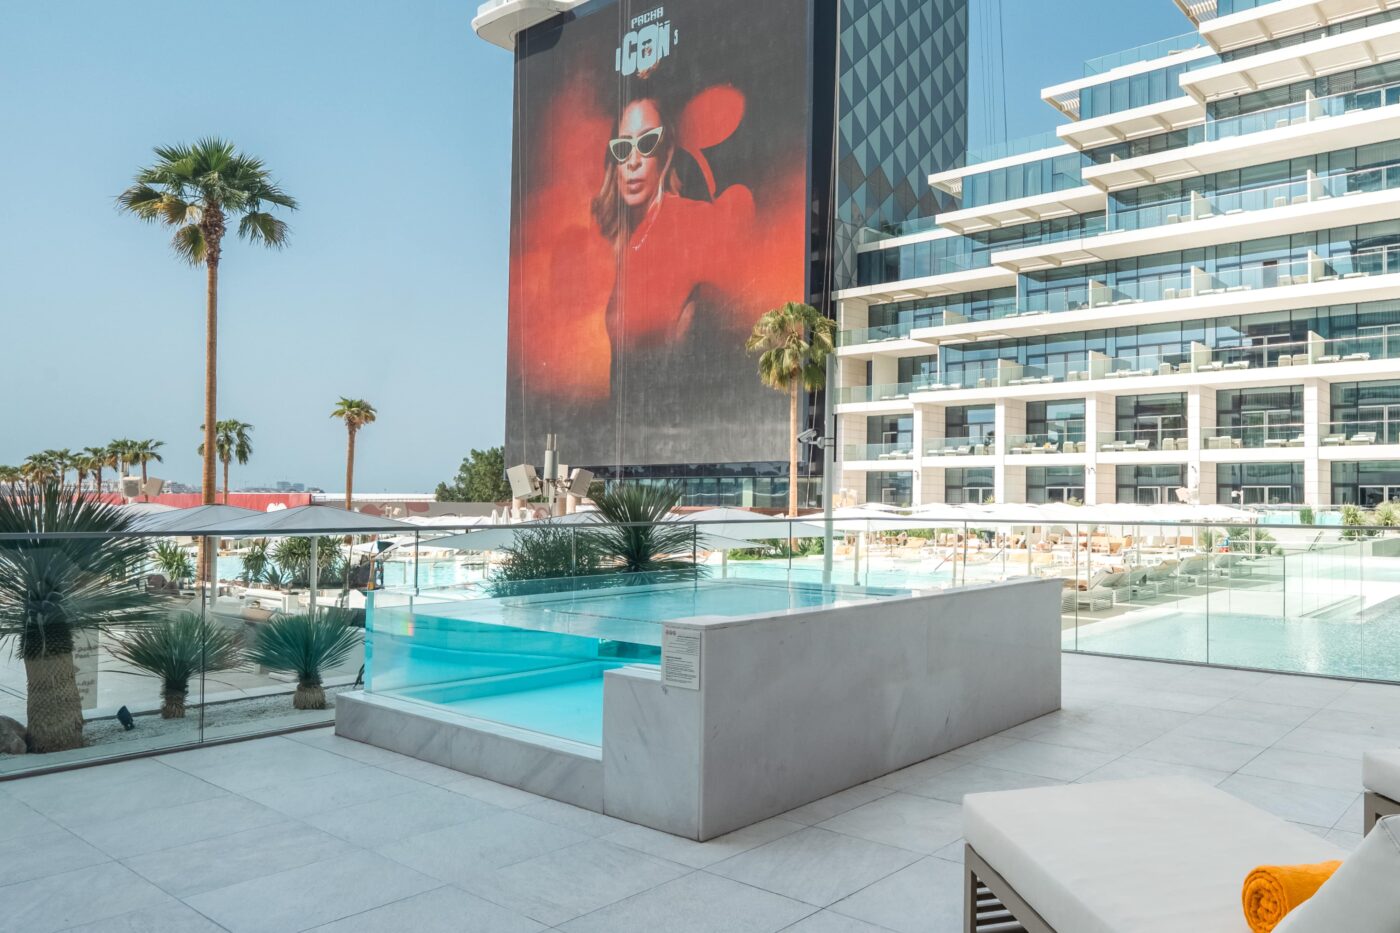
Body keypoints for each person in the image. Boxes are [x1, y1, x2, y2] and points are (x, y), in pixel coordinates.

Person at [590, 94, 756, 458]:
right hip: (630, 449)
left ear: (666, 155)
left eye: (647, 144)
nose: (633, 160)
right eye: (623, 148)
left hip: (684, 444)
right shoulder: (628, 244)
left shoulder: (694, 222)